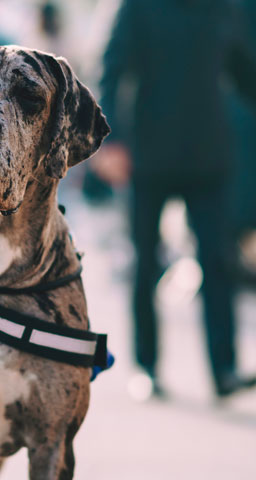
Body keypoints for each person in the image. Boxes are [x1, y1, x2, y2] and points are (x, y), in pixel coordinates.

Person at [94, 0, 256, 398]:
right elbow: (112, 70)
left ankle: (225, 369)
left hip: (210, 154)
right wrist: (108, 140)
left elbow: (244, 72)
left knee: (217, 263)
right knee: (145, 263)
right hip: (149, 154)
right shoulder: (137, 7)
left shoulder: (222, 9)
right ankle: (145, 367)